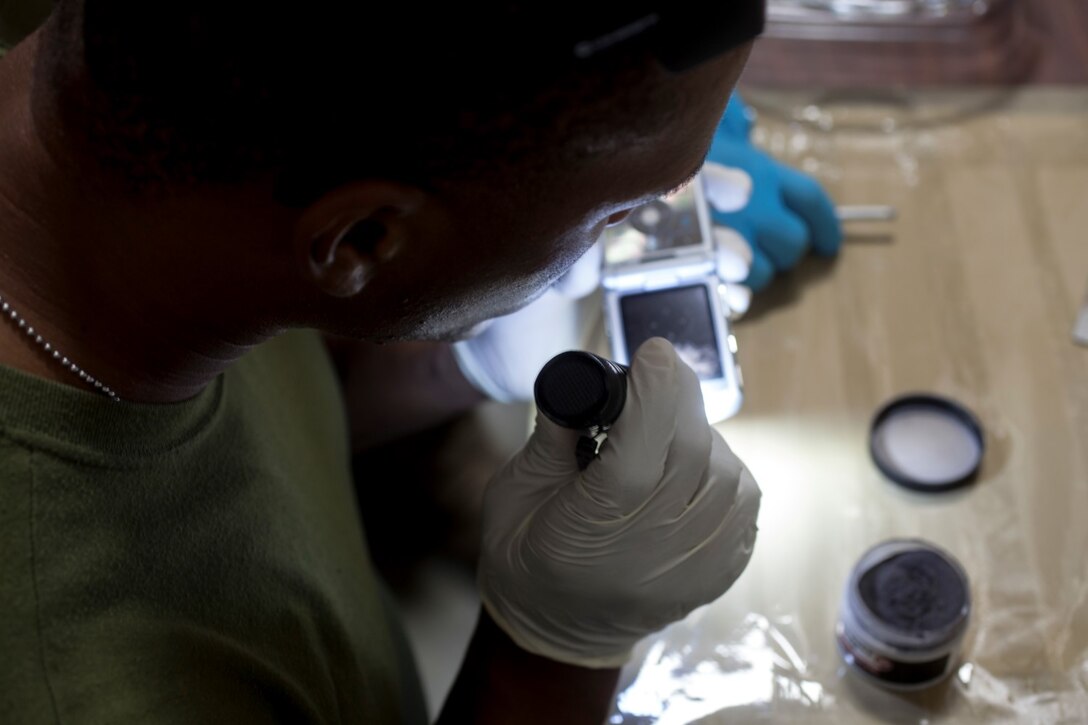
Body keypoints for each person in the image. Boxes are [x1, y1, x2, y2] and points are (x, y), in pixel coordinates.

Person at [0, 3, 835, 723]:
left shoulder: (137, 115)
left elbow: (256, 424)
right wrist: (552, 650)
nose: (633, 229)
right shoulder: (90, 686)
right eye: (617, 211)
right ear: (363, 239)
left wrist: (450, 368)